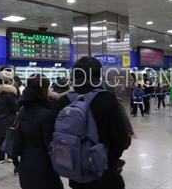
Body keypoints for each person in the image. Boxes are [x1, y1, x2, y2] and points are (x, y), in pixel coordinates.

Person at [52, 56, 128, 189]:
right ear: (98, 75)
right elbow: (119, 136)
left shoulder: (65, 100)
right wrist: (111, 159)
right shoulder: (107, 98)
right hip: (104, 172)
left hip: (76, 171)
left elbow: (53, 133)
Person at [18, 73, 63, 189]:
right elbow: (50, 145)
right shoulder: (45, 114)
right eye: (48, 87)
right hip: (43, 167)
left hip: (25, 163)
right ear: (43, 90)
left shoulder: (23, 110)